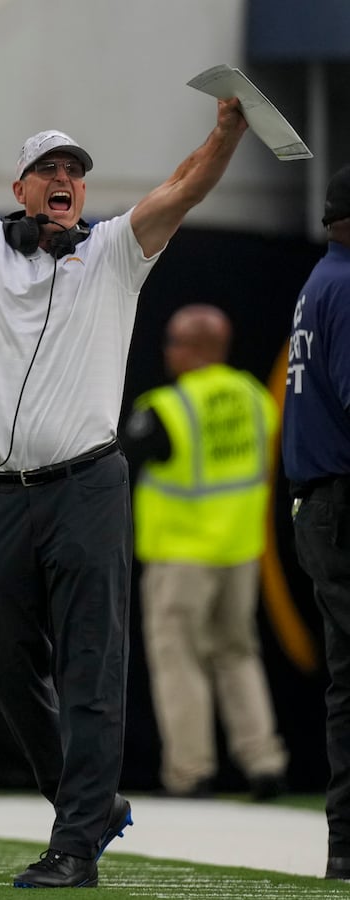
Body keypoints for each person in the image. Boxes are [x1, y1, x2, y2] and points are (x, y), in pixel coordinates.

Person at [0, 40, 247, 888]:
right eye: (49, 167)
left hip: (87, 488)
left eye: (75, 167)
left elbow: (181, 188)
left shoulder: (115, 253)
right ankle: (89, 805)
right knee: (1, 666)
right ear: (22, 188)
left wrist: (224, 132)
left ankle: (76, 846)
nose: (64, 176)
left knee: (91, 668)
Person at [123, 304, 289, 802]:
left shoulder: (168, 408)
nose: (168, 351)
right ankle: (265, 763)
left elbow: (123, 456)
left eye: (175, 342)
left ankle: (190, 771)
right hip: (239, 549)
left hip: (181, 554)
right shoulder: (255, 397)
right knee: (238, 653)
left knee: (179, 660)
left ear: (195, 349)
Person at [282, 164, 350, 882]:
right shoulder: (349, 286)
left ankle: (345, 844)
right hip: (342, 499)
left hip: (319, 505)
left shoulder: (319, 283)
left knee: (346, 685)